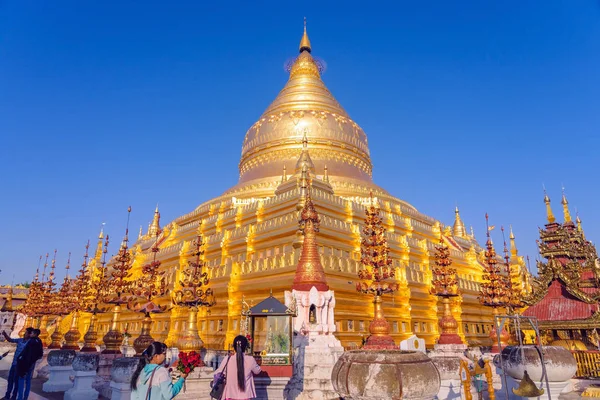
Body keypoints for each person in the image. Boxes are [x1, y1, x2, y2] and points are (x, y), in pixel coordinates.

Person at [214, 335, 261, 400]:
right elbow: (257, 371)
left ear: (234, 346)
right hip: (245, 396)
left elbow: (218, 372)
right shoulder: (250, 359)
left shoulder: (227, 359)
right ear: (246, 347)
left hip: (230, 395)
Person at [1, 328, 32, 400]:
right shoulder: (20, 340)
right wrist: (5, 334)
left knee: (17, 382)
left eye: (26, 333)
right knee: (10, 380)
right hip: (14, 363)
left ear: (30, 334)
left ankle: (13, 397)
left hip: (20, 365)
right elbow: (10, 340)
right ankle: (7, 395)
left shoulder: (30, 343)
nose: (25, 334)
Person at [15, 328, 43, 400]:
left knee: (21, 380)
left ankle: (20, 398)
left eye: (31, 333)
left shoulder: (31, 342)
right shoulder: (39, 341)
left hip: (25, 363)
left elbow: (26, 354)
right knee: (28, 381)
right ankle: (25, 397)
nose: (30, 334)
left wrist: (20, 360)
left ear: (35, 334)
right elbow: (40, 354)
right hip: (32, 364)